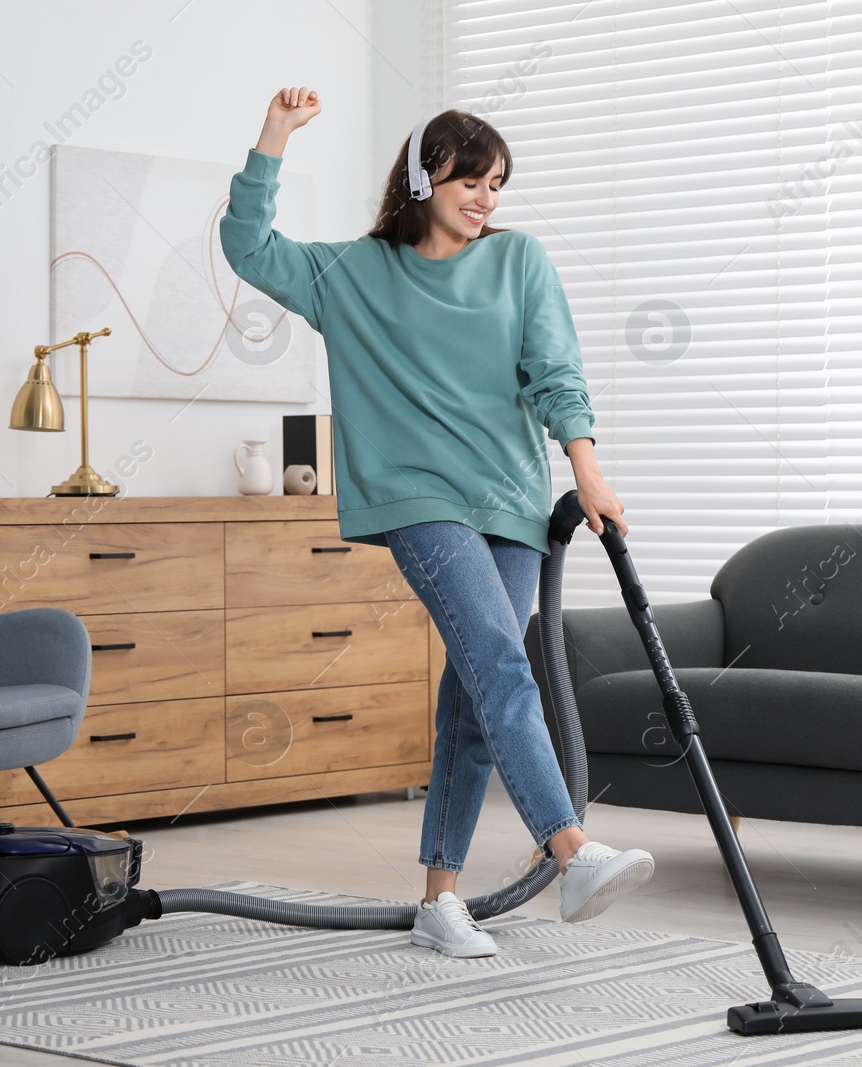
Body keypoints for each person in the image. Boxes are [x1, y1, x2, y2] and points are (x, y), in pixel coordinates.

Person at [220, 86, 653, 958]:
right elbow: (248, 246)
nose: (488, 198)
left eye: (498, 183)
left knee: (470, 699)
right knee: (500, 658)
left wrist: (589, 472)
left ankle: (438, 899)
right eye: (472, 178)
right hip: (418, 500)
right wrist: (273, 138)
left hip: (512, 504)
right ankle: (570, 850)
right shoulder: (351, 274)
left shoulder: (519, 260)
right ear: (424, 176)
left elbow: (554, 371)